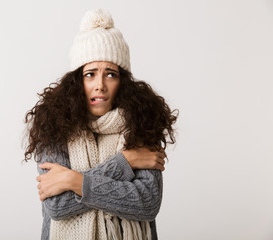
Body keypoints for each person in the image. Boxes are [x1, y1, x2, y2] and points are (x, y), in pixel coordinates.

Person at [24, 9, 178, 240]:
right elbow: (57, 207)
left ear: (123, 82)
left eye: (111, 74)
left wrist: (74, 180)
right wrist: (126, 161)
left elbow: (146, 202)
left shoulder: (142, 126)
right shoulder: (54, 127)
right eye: (90, 74)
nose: (100, 85)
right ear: (76, 81)